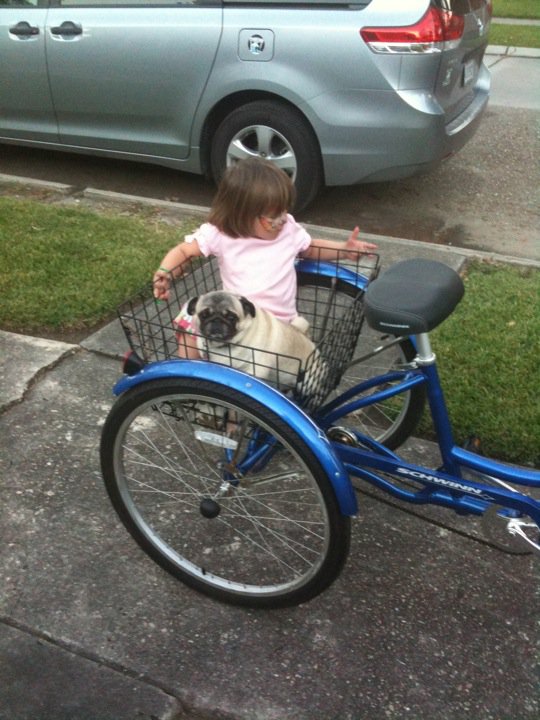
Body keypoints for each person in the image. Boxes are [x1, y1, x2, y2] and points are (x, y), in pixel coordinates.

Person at [153, 157, 377, 358]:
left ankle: (200, 376)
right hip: (239, 322)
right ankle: (193, 373)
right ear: (241, 213)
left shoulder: (287, 229)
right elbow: (184, 251)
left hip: (276, 329)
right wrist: (165, 272)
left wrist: (343, 249)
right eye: (272, 217)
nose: (282, 219)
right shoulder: (222, 234)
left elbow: (310, 248)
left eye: (284, 211)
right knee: (189, 321)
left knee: (191, 321)